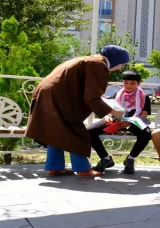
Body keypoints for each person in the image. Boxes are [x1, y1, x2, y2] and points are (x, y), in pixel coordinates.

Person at [25, 45, 129, 178]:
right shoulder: (98, 65)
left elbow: (86, 88)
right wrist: (112, 111)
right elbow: (92, 97)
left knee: (55, 131)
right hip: (59, 98)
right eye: (122, 64)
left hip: (46, 94)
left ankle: (54, 168)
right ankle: (83, 169)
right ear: (115, 59)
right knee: (76, 131)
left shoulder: (87, 60)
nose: (120, 68)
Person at [88, 70, 152, 174]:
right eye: (126, 82)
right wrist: (107, 116)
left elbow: (143, 114)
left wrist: (130, 122)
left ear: (139, 83)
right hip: (117, 119)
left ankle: (130, 159)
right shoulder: (117, 94)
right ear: (122, 82)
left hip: (134, 121)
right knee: (90, 131)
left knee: (146, 134)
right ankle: (106, 159)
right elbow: (110, 109)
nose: (129, 85)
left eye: (132, 83)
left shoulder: (144, 96)